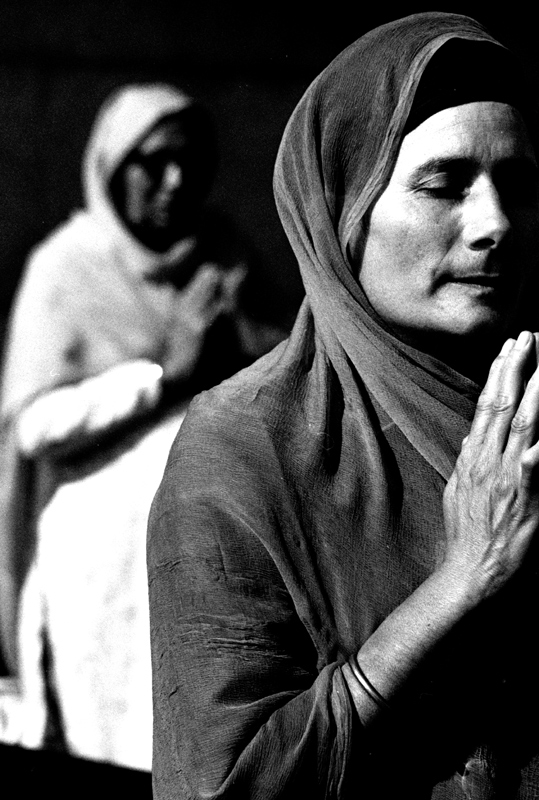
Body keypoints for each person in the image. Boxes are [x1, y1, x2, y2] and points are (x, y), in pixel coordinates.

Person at [147, 14, 539, 799]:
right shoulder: (246, 454)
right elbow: (229, 784)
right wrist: (467, 578)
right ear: (345, 208)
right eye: (443, 185)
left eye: (519, 187)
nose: (493, 226)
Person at [0, 83, 284, 770]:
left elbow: (282, 363)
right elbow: (34, 424)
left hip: (208, 547)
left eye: (190, 162)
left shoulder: (224, 260)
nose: (175, 181)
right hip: (101, 565)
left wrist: (242, 341)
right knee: (115, 743)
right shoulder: (67, 268)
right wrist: (164, 371)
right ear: (110, 167)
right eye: (151, 163)